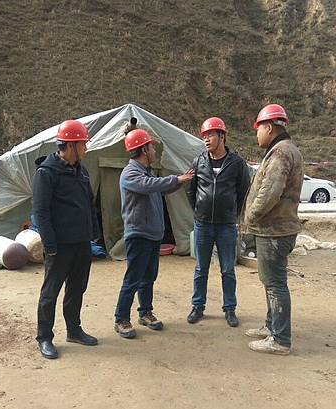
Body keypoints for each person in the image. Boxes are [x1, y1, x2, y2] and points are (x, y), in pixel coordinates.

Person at [114, 129, 195, 339]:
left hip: (151, 235)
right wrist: (176, 178)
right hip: (139, 234)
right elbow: (150, 185)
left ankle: (145, 313)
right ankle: (121, 319)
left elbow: (160, 188)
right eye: (151, 147)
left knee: (148, 277)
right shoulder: (130, 173)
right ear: (143, 149)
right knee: (133, 278)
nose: (154, 151)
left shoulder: (146, 174)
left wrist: (182, 181)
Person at [32, 119, 101, 359]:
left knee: (77, 288)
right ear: (71, 145)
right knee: (50, 292)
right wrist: (49, 244)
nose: (86, 148)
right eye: (83, 144)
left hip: (81, 242)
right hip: (59, 246)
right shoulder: (46, 173)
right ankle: (44, 337)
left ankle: (74, 330)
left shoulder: (82, 171)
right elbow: (41, 211)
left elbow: (89, 203)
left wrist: (94, 232)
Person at [243, 104, 304, 356]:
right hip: (277, 229)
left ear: (269, 128)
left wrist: (250, 217)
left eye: (258, 130)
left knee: (275, 284)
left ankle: (280, 340)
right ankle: (271, 326)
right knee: (271, 282)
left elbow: (270, 192)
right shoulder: (287, 150)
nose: (256, 135)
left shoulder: (280, 153)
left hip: (274, 231)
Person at [185, 117, 251, 327]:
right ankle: (198, 306)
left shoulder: (236, 163)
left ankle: (230, 309)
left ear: (222, 136)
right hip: (203, 224)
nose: (206, 140)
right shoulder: (199, 162)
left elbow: (244, 191)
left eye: (210, 135)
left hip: (226, 226)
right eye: (204, 136)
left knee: (228, 270)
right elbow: (190, 190)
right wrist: (199, 210)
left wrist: (233, 213)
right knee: (200, 269)